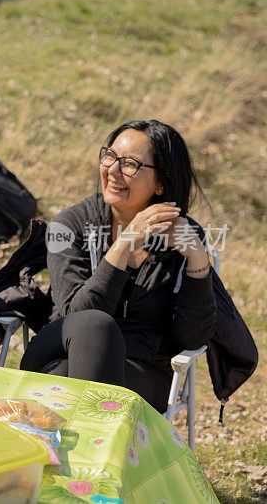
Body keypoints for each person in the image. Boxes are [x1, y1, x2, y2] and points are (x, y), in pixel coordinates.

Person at [20, 120, 216, 412]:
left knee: (64, 383)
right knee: (96, 325)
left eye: (130, 164)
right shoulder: (70, 225)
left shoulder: (182, 236)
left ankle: (69, 450)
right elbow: (74, 315)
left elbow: (191, 339)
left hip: (140, 369)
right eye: (109, 156)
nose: (112, 170)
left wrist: (198, 262)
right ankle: (100, 453)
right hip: (59, 346)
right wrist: (124, 245)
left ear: (161, 182)